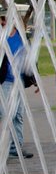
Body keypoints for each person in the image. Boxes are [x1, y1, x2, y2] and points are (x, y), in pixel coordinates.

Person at [1, 12, 34, 159]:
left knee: (18, 115)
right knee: (5, 114)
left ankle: (16, 148)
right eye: (1, 19)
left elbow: (30, 59)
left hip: (19, 81)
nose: (2, 22)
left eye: (4, 19)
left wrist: (35, 80)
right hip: (5, 81)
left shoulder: (22, 38)